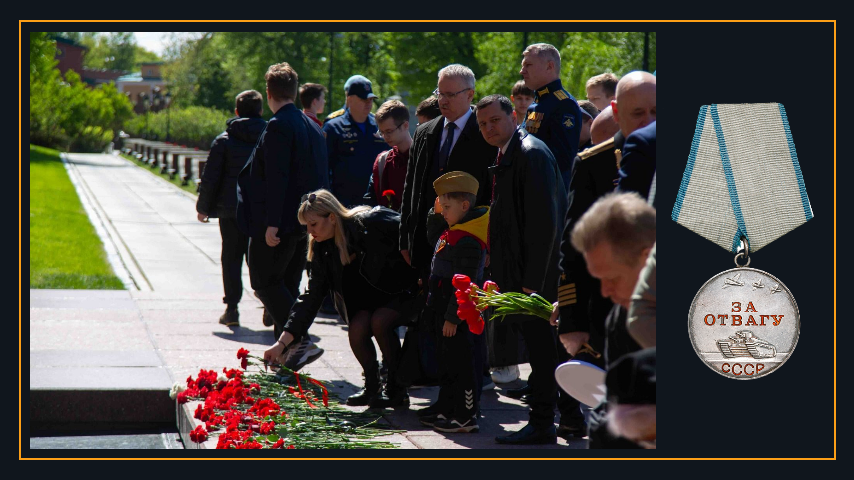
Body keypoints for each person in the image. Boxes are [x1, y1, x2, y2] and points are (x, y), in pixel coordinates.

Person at [262, 190, 419, 408]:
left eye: (313, 224)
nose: (309, 231)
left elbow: (412, 230)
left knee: (380, 322)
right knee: (357, 328)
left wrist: (422, 274)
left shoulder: (370, 222)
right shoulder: (322, 247)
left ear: (332, 218)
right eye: (306, 226)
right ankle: (372, 387)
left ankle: (396, 389)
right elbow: (311, 297)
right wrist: (282, 344)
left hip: (405, 291)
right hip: (370, 299)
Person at [474, 94, 567, 445]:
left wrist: (531, 283)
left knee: (543, 351)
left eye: (494, 120)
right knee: (540, 348)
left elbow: (546, 225)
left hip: (535, 278)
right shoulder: (508, 152)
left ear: (514, 116)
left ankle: (544, 423)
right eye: (482, 124)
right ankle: (557, 418)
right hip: (518, 271)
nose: (488, 128)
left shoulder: (531, 153)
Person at [236, 62, 328, 375]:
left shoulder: (278, 125)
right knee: (286, 285)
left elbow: (277, 177)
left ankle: (299, 340)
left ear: (269, 92)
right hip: (302, 223)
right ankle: (288, 357)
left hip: (277, 223)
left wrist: (272, 222)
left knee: (263, 280)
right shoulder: (312, 125)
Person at [565, 191, 654, 448]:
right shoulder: (619, 317)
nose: (604, 292)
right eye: (598, 279)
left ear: (646, 259)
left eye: (612, 278)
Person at [399, 64, 496, 282]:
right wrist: (405, 239)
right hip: (424, 245)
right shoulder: (424, 132)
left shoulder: (486, 136)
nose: (443, 100)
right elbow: (410, 188)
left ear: (470, 94)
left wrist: (489, 244)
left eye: (450, 95)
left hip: (467, 246)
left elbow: (492, 193)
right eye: (440, 93)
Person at [417, 171, 489, 433]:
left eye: (446, 207)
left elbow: (467, 283)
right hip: (443, 307)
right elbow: (433, 236)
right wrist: (435, 213)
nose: (443, 212)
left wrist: (452, 317)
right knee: (447, 363)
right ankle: (447, 406)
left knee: (462, 364)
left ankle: (466, 415)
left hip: (457, 312)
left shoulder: (469, 238)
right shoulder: (455, 229)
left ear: (465, 206)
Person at [196, 90, 267, 327]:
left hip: (231, 211)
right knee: (260, 258)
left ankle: (232, 309)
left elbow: (211, 177)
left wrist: (203, 207)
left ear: (236, 112)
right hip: (262, 211)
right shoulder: (271, 137)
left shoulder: (224, 140)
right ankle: (269, 304)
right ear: (260, 111)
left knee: (231, 258)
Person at [519, 43, 582, 189]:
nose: (522, 71)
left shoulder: (564, 104)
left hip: (547, 191)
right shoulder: (537, 103)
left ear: (549, 66)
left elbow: (562, 160)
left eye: (528, 65)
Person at [323, 75, 388, 209]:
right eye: (364, 99)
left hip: (376, 203)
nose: (368, 103)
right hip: (344, 203)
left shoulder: (379, 125)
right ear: (350, 99)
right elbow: (325, 167)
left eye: (370, 99)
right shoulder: (334, 127)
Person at [364, 100, 412, 211]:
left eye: (389, 131)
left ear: (405, 125)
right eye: (382, 132)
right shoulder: (383, 161)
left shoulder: (424, 158)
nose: (385, 136)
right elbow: (370, 200)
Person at [617, 121, 657, 200]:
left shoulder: (643, 141)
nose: (648, 121)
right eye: (638, 113)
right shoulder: (645, 140)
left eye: (654, 112)